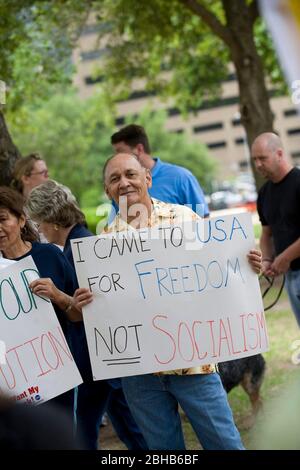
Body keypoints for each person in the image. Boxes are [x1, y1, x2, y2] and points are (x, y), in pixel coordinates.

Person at [101, 152, 262, 450]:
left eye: (130, 174)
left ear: (147, 179)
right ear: (108, 190)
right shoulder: (104, 244)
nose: (123, 183)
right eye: (115, 179)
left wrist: (244, 265)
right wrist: (89, 300)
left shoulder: (184, 219)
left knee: (224, 443)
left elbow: (216, 274)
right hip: (140, 374)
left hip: (193, 362)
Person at [26, 180, 147, 450]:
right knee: (128, 426)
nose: (38, 230)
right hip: (104, 358)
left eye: (38, 222)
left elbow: (95, 309)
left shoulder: (80, 249)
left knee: (82, 431)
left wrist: (60, 297)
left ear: (52, 220)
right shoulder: (81, 243)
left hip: (93, 358)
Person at [0, 186, 91, 426]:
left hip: (56, 376)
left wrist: (58, 296)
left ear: (21, 220)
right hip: (10, 383)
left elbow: (79, 315)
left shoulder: (50, 255)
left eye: (2, 219)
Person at [252, 132, 300, 327]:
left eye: (262, 158)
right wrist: (267, 260)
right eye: (254, 159)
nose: (258, 165)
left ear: (279, 153)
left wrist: (285, 257)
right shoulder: (264, 194)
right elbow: (266, 234)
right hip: (290, 276)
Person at [110, 124, 209, 218]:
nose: (116, 158)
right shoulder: (121, 188)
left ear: (139, 149)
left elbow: (203, 220)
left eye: (120, 151)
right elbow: (115, 230)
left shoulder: (181, 177)